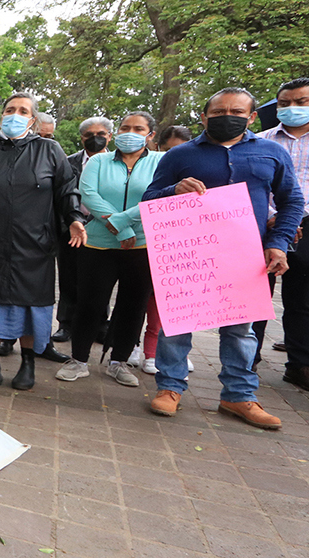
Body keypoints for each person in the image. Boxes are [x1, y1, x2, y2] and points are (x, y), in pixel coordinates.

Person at [142, 87, 304, 428]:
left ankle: (239, 396)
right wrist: (174, 190)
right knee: (178, 326)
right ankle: (169, 388)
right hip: (190, 258)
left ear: (252, 116)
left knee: (241, 331)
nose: (226, 117)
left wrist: (279, 241)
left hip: (247, 258)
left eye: (235, 112)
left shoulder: (271, 153)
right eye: (217, 113)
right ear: (203, 117)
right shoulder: (179, 155)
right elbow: (150, 200)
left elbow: (292, 202)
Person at [0, 92, 86, 391]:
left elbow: (66, 190)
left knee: (30, 308)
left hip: (34, 247)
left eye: (23, 110)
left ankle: (28, 361)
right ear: (1, 116)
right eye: (10, 109)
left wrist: (75, 218)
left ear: (33, 120)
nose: (15, 115)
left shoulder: (50, 151)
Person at [55, 112, 163, 387]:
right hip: (98, 243)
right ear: (115, 134)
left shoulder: (161, 162)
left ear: (150, 134)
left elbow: (158, 196)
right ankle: (78, 360)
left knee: (133, 305)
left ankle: (119, 361)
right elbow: (88, 194)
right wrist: (122, 228)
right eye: (126, 128)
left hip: (141, 245)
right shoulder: (99, 161)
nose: (131, 132)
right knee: (89, 303)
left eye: (139, 129)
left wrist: (125, 224)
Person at [252, 77, 309, 392]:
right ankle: (248, 360)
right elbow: (253, 185)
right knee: (256, 296)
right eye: (285, 103)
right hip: (265, 224)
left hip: (308, 225)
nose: (292, 108)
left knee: (302, 300)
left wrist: (298, 215)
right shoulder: (261, 142)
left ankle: (300, 365)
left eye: (301, 102)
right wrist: (277, 217)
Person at [135, 125, 194, 374]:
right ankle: (138, 347)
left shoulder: (198, 166)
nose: (174, 155)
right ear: (158, 147)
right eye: (168, 150)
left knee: (175, 302)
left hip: (190, 243)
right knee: (142, 298)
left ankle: (168, 350)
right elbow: (148, 198)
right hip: (151, 241)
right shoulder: (151, 168)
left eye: (180, 150)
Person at [53, 117, 113, 345]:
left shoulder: (117, 163)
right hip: (71, 228)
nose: (94, 138)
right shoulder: (68, 162)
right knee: (69, 277)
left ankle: (99, 325)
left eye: (100, 133)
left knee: (101, 280)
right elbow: (60, 194)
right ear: (82, 137)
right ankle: (65, 325)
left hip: (106, 229)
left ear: (109, 136)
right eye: (89, 134)